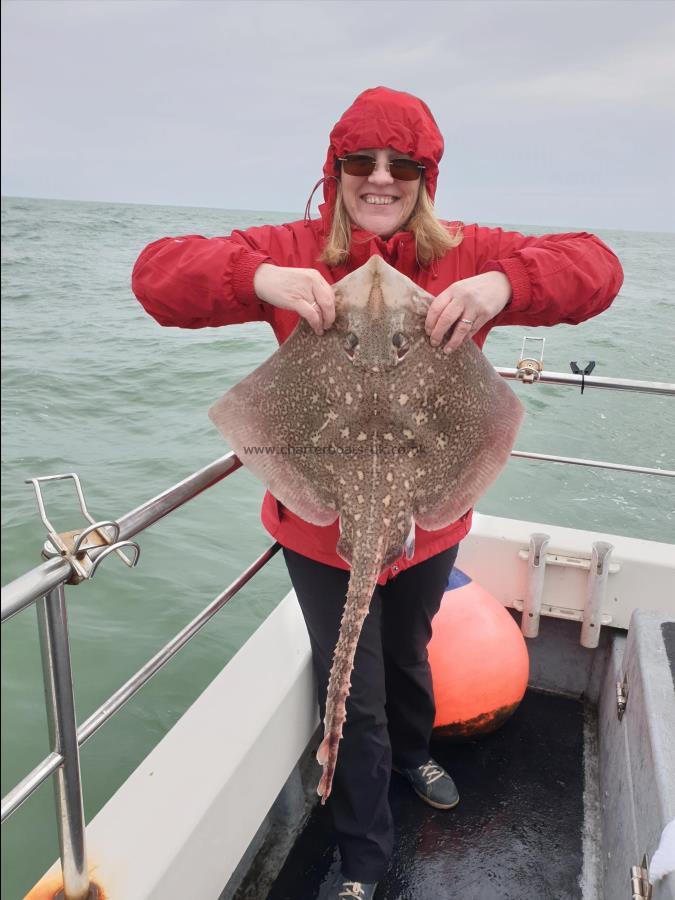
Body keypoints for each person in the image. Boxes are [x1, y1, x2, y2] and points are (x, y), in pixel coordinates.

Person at [132, 86, 623, 899]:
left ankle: (417, 748)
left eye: (405, 165)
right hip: (320, 524)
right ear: (335, 172)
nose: (382, 179)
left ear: (429, 176)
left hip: (428, 513)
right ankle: (364, 859)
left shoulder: (464, 252)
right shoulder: (293, 247)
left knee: (408, 648)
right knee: (351, 687)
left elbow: (596, 266)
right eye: (361, 163)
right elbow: (157, 277)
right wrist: (260, 278)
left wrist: (503, 286)